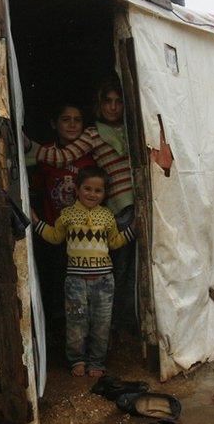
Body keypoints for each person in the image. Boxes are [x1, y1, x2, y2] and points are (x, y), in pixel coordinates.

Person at [26, 80, 139, 333]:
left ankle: (119, 325)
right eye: (107, 101)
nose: (113, 107)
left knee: (132, 271)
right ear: (99, 105)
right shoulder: (92, 134)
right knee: (105, 273)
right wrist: (26, 145)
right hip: (95, 217)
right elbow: (60, 158)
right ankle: (93, 328)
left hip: (137, 209)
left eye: (118, 101)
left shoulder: (134, 128)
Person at [31, 166, 135, 378]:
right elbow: (54, 237)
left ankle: (96, 361)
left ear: (105, 194)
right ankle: (77, 359)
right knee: (76, 323)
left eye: (98, 191)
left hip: (105, 280)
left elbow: (114, 243)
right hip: (76, 281)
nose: (92, 194)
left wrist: (134, 228)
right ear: (77, 189)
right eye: (87, 188)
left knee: (101, 324)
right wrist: (36, 222)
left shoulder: (107, 216)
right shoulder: (67, 215)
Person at [26, 103, 96, 341]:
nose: (73, 124)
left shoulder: (90, 155)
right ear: (54, 124)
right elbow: (33, 187)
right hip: (54, 231)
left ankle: (84, 335)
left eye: (78, 119)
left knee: (84, 288)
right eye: (66, 119)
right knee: (56, 283)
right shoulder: (44, 154)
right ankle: (59, 336)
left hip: (84, 236)